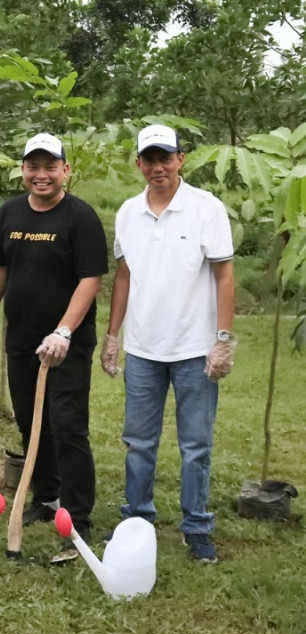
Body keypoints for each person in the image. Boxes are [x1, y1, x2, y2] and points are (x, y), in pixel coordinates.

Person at [101, 124, 235, 563]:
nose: (158, 166)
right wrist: (113, 336)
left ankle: (196, 525)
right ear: (138, 163)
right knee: (139, 442)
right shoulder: (128, 212)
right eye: (149, 159)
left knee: (195, 445)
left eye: (166, 158)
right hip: (143, 348)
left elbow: (224, 275)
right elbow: (124, 276)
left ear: (181, 159)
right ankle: (137, 519)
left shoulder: (206, 208)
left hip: (195, 349)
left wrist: (222, 339)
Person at [0, 133, 108, 562]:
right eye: (33, 166)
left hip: (68, 343)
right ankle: (47, 497)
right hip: (22, 339)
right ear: (23, 170)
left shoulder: (80, 218)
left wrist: (64, 331)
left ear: (65, 170)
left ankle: (78, 518)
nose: (41, 175)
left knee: (68, 425)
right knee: (31, 421)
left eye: (50, 166)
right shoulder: (10, 212)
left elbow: (90, 280)